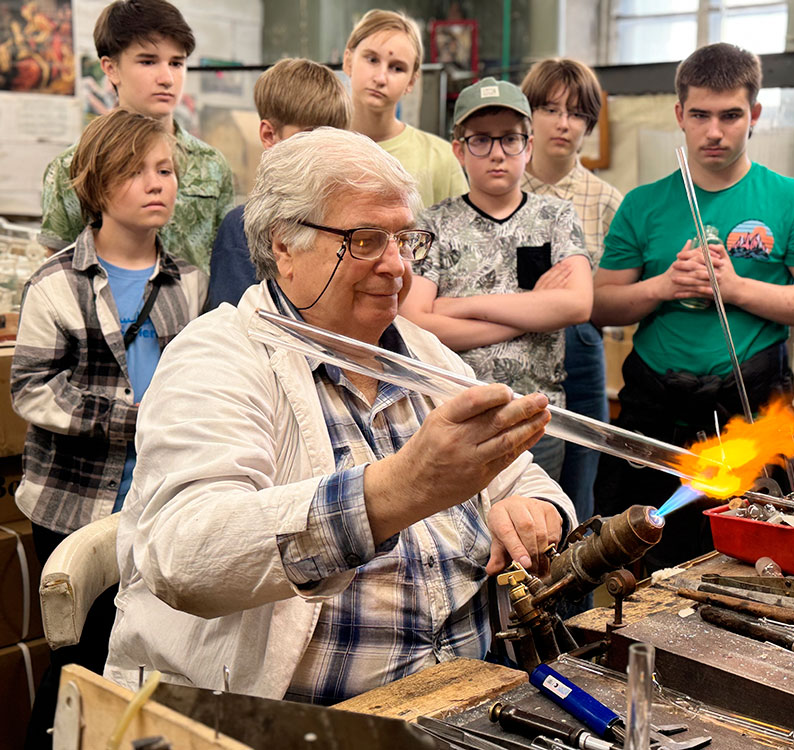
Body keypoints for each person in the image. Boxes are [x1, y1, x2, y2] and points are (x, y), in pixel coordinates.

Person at [104, 127, 576, 704]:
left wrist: (535, 508)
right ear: (284, 245)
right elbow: (186, 555)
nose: (397, 267)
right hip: (305, 723)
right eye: (365, 240)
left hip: (473, 697)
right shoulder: (218, 356)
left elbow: (520, 474)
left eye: (405, 241)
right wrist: (400, 490)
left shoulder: (424, 354)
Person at [592, 43, 794, 569]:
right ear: (679, 115)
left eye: (731, 115)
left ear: (754, 114)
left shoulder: (792, 201)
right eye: (701, 115)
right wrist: (663, 286)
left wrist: (736, 289)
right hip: (653, 412)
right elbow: (599, 305)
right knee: (635, 558)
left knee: (749, 562)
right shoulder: (643, 204)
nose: (715, 132)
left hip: (748, 405)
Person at [13, 108, 207, 748]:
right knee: (83, 656)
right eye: (135, 172)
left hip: (158, 502)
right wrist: (136, 418)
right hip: (73, 504)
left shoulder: (188, 283)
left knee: (154, 648)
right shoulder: (55, 283)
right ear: (95, 187)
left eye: (166, 170)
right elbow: (32, 388)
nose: (158, 184)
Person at [399, 78, 593, 482]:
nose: (497, 154)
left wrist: (460, 306)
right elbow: (416, 323)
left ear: (529, 146)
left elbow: (576, 305)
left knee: (540, 538)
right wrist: (533, 311)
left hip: (539, 419)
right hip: (454, 418)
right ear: (459, 150)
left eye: (509, 139)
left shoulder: (556, 217)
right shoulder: (434, 223)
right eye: (481, 141)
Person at [39, 0, 233, 273]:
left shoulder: (212, 165)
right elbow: (56, 276)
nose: (167, 78)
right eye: (148, 61)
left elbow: (226, 264)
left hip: (198, 312)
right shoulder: (73, 166)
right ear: (110, 69)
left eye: (176, 63)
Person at [520, 57, 623, 522]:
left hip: (581, 352)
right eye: (550, 109)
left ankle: (577, 593)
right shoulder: (498, 187)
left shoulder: (606, 202)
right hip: (506, 354)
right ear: (528, 115)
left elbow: (612, 297)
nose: (564, 124)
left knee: (579, 497)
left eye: (577, 113)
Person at [207, 58, 351, 310]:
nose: (324, 149)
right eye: (310, 135)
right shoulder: (241, 227)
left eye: (334, 136)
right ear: (269, 135)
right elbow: (237, 320)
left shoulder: (347, 223)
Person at [343, 9, 467, 208]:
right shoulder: (316, 149)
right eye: (372, 60)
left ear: (411, 81)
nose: (381, 78)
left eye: (397, 68)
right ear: (348, 61)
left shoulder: (439, 159)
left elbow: (462, 236)